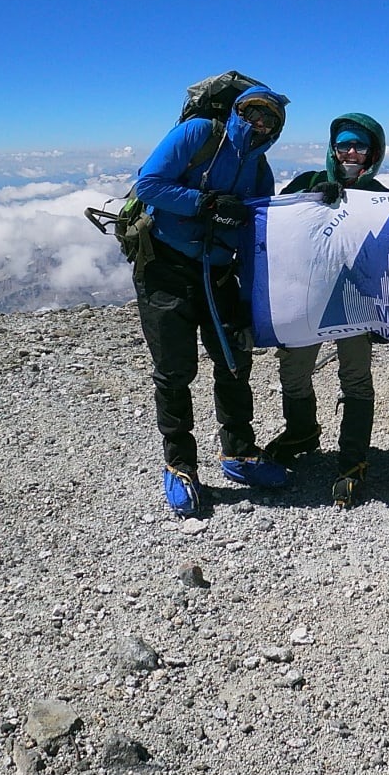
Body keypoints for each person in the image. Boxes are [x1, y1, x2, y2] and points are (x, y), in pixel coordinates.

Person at [133, 84, 293, 516]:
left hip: (218, 271)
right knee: (174, 369)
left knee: (234, 360)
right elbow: (148, 184)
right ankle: (180, 465)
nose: (259, 122)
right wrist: (205, 203)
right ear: (237, 111)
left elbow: (257, 228)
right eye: (253, 112)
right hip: (165, 266)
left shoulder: (259, 166)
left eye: (269, 119)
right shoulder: (200, 132)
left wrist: (251, 295)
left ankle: (238, 453)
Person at [266, 113, 389, 506]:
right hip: (308, 297)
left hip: (355, 302)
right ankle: (302, 431)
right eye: (344, 146)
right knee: (294, 371)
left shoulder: (381, 194)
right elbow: (274, 225)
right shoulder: (305, 183)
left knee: (355, 377)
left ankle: (353, 459)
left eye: (360, 147)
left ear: (373, 153)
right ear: (333, 149)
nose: (351, 153)